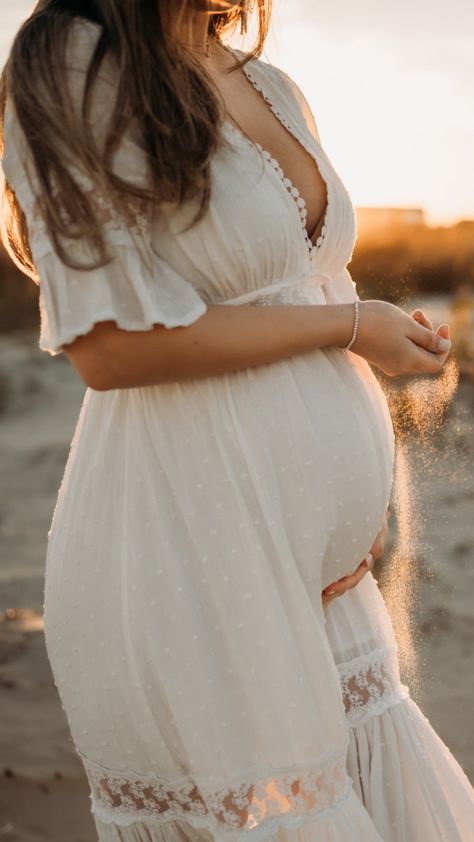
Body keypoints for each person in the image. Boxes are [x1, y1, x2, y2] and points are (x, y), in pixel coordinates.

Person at [1, 2, 473, 840]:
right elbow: (112, 350)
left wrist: (361, 501)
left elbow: (311, 285)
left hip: (325, 581)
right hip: (194, 547)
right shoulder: (73, 61)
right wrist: (352, 326)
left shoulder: (271, 84)